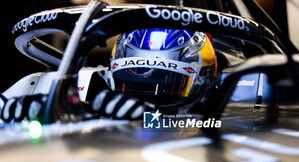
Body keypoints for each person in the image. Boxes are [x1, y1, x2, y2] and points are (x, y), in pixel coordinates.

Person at [1, 29, 218, 121]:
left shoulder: (214, 119)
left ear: (204, 79)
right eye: (132, 79)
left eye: (167, 81)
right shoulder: (92, 100)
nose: (150, 99)